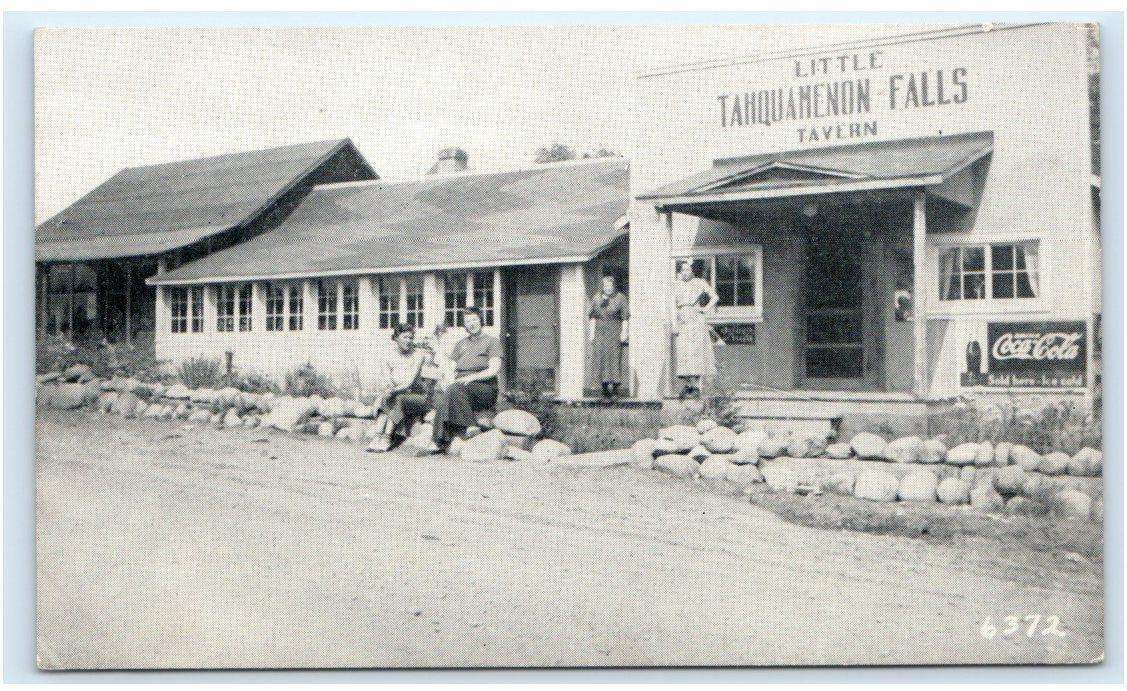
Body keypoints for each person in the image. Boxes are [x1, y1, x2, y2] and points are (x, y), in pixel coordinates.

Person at [430, 306, 502, 450]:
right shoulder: (460, 344)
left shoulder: (492, 342)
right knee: (449, 390)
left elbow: (494, 370)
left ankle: (462, 430)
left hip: (484, 387)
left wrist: (472, 378)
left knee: (455, 389)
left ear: (481, 320)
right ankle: (446, 438)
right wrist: (449, 380)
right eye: (468, 321)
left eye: (475, 319)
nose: (472, 323)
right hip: (461, 387)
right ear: (464, 325)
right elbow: (449, 367)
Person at [368, 322, 431, 452]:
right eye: (405, 337)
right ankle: (377, 436)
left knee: (397, 398)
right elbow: (386, 379)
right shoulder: (387, 356)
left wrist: (392, 391)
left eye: (411, 338)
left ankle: (386, 437)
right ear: (396, 338)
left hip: (418, 398)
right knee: (386, 397)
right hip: (396, 394)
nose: (408, 341)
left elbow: (409, 382)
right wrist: (388, 389)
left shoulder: (418, 355)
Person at [672, 260, 719, 397]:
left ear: (692, 271)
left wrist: (705, 309)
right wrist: (675, 324)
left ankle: (697, 386)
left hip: (696, 319)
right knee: (684, 352)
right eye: (683, 270)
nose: (686, 272)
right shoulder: (676, 285)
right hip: (682, 319)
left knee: (696, 351)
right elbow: (673, 306)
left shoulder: (700, 283)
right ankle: (688, 385)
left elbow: (715, 297)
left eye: (688, 270)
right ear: (679, 273)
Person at [588, 274, 629, 399]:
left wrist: (624, 332)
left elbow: (625, 317)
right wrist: (591, 334)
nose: (608, 288)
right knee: (600, 358)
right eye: (605, 286)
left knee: (614, 358)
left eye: (610, 286)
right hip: (600, 331)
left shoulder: (620, 298)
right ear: (603, 286)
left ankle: (615, 389)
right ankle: (605, 389)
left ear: (613, 286)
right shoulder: (596, 298)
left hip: (614, 330)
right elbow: (592, 317)